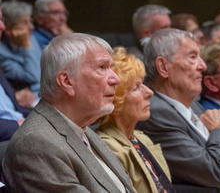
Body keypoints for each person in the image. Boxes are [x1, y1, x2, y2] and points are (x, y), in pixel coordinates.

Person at [137, 28, 220, 192]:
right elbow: (215, 171)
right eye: (192, 57)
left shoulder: (192, 104)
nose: (203, 66)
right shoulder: (156, 114)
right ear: (163, 67)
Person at [2, 33, 135, 193]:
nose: (116, 79)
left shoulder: (81, 128)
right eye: (102, 68)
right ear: (66, 81)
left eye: (111, 67)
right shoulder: (37, 145)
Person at [96, 47, 175, 193]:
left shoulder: (142, 138)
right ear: (115, 101)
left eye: (143, 83)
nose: (150, 92)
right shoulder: (107, 146)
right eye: (136, 87)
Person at [0, 0, 31, 142]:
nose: (2, 26)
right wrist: (16, 125)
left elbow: (14, 110)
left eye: (2, 19)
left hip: (21, 125)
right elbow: (32, 76)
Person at [0, 0, 41, 100]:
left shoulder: (30, 38)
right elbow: (33, 76)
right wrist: (26, 47)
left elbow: (45, 69)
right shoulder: (2, 53)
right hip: (33, 99)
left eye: (30, 21)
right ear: (8, 29)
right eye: (24, 22)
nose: (31, 27)